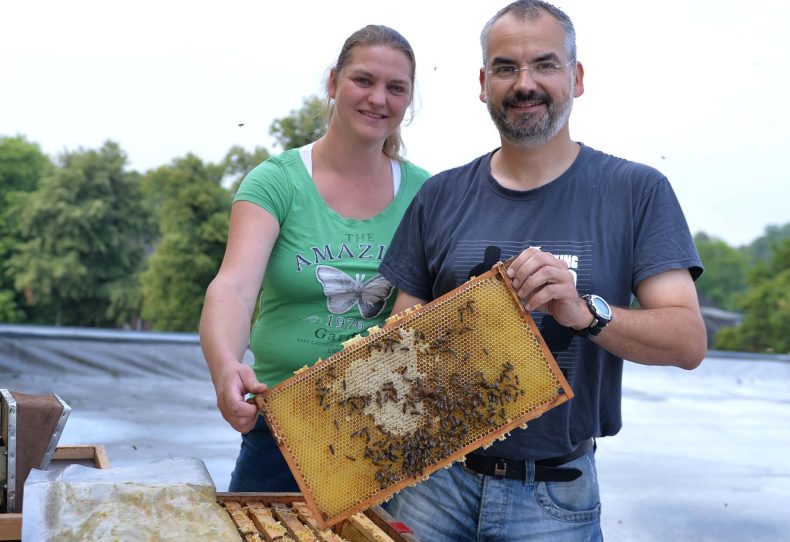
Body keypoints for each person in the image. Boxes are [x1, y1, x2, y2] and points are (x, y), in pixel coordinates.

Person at [378, 1, 707, 540]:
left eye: (545, 65)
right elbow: (395, 348)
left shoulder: (636, 191)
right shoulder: (440, 196)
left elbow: (688, 341)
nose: (524, 83)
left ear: (576, 78)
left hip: (554, 496)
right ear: (484, 84)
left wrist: (585, 314)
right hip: (430, 484)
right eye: (506, 68)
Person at [199, 24, 430, 492]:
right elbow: (234, 288)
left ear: (408, 100)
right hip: (280, 426)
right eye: (363, 81)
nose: (378, 99)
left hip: (383, 430)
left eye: (395, 88)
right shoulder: (275, 182)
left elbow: (420, 313)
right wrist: (226, 367)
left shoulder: (427, 193)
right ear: (333, 83)